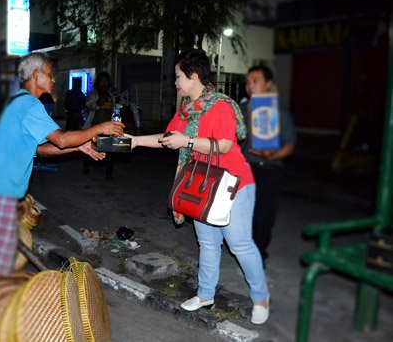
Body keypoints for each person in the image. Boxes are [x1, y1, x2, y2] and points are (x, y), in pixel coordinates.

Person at [125, 49, 270, 325]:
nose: (175, 83)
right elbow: (169, 138)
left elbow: (226, 145)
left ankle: (261, 297)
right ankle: (205, 295)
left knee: (239, 244)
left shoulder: (221, 106)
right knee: (207, 242)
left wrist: (187, 142)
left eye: (179, 77)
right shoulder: (187, 111)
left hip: (232, 183)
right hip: (202, 182)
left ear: (193, 76)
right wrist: (136, 141)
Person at [0, 52, 124, 279]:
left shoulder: (18, 101)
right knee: (0, 264)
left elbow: (40, 148)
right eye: (50, 75)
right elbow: (60, 139)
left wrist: (78, 147)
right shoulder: (30, 105)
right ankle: (6, 302)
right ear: (36, 75)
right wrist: (100, 128)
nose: (53, 80)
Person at [239, 65, 296, 266]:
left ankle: (258, 253)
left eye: (255, 81)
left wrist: (272, 155)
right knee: (243, 213)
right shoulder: (242, 110)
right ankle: (245, 251)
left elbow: (289, 146)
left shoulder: (279, 113)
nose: (250, 85)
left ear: (268, 84)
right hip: (245, 168)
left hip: (269, 169)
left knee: (264, 216)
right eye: (248, 82)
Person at [82, 71, 117, 180]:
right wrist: (97, 103)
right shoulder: (93, 94)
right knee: (91, 149)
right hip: (94, 127)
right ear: (98, 83)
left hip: (109, 129)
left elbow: (115, 109)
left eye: (106, 81)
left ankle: (108, 174)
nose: (104, 83)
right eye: (102, 81)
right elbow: (88, 105)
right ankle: (86, 166)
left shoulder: (111, 96)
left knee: (111, 151)